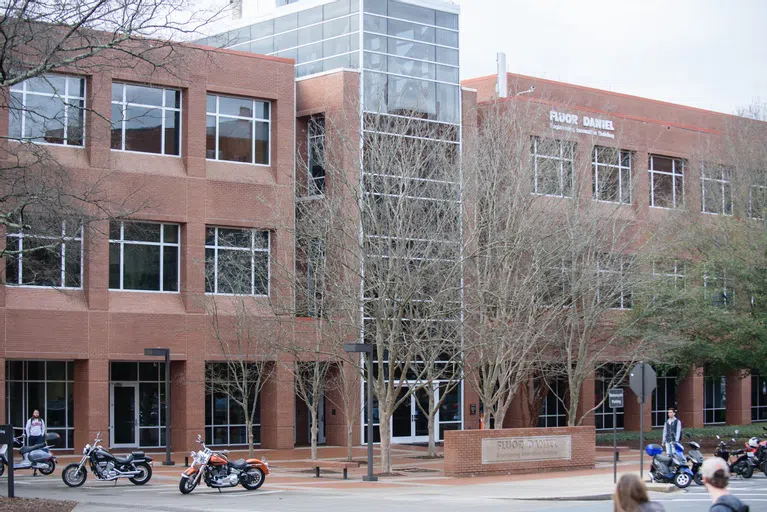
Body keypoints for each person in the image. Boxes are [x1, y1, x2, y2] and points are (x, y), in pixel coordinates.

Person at [25, 409, 46, 476]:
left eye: (37, 413)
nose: (36, 414)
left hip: (38, 437)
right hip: (32, 437)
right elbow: (27, 428)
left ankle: (36, 469)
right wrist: (29, 436)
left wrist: (41, 435)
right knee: (32, 451)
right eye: (35, 413)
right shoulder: (30, 420)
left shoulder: (41, 420)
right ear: (33, 413)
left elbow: (43, 428)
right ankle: (32, 463)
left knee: (37, 452)